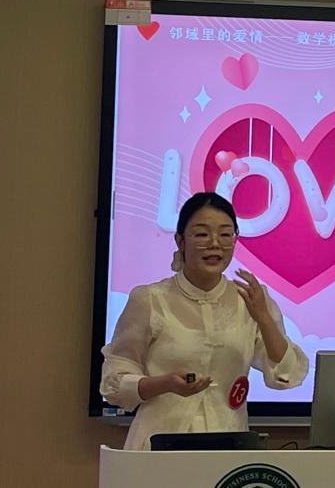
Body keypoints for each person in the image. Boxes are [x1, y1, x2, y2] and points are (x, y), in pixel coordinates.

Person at [100, 192, 309, 450]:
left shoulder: (251, 299)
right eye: (201, 234)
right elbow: (115, 383)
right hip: (159, 447)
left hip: (228, 445)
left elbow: (285, 375)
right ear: (180, 240)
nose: (215, 244)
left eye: (226, 234)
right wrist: (165, 384)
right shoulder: (150, 299)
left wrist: (264, 318)